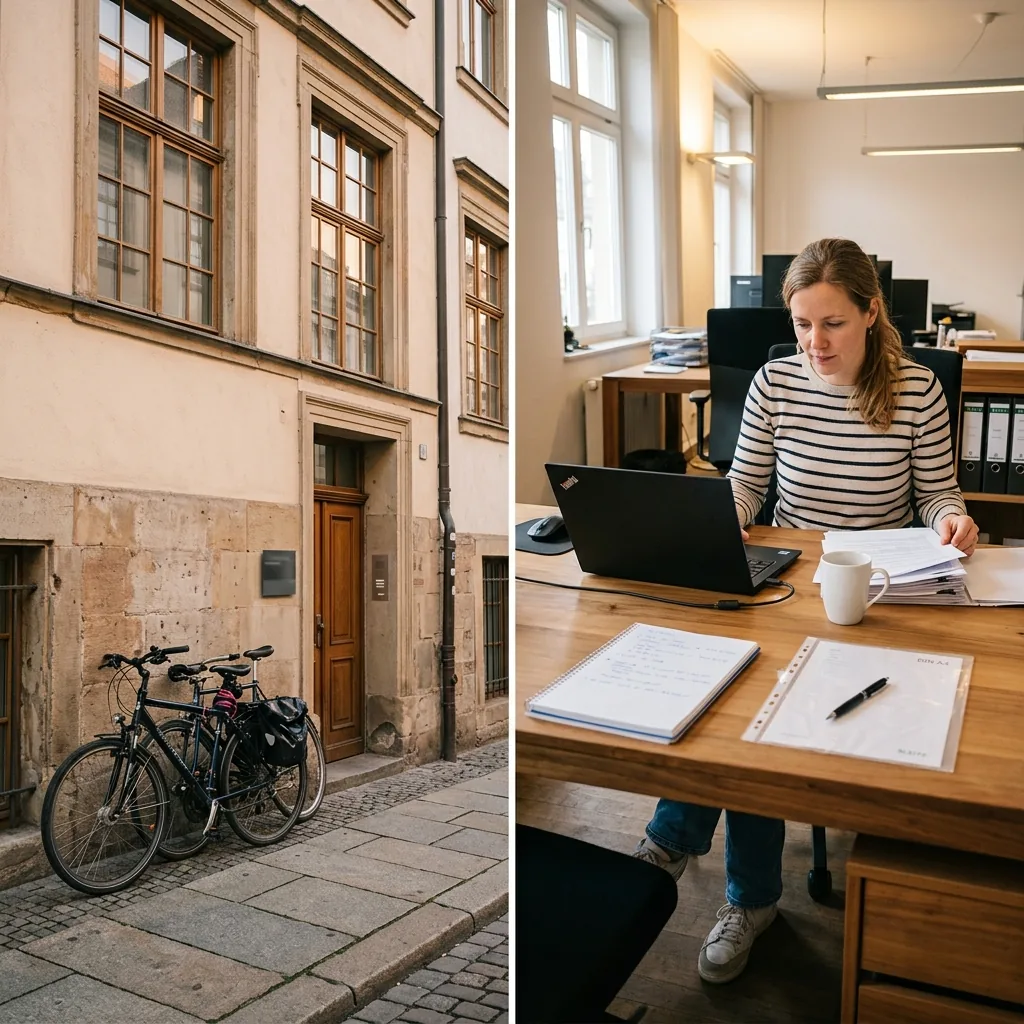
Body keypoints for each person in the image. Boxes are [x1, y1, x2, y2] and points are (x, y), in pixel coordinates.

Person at [633, 237, 978, 985]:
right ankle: (731, 881)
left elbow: (935, 494)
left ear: (870, 313)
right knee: (729, 693)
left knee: (762, 721)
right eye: (801, 324)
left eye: (832, 324)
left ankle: (700, 856)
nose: (814, 342)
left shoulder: (916, 389)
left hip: (875, 587)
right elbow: (745, 485)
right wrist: (723, 521)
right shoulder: (776, 382)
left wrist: (952, 518)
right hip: (788, 579)